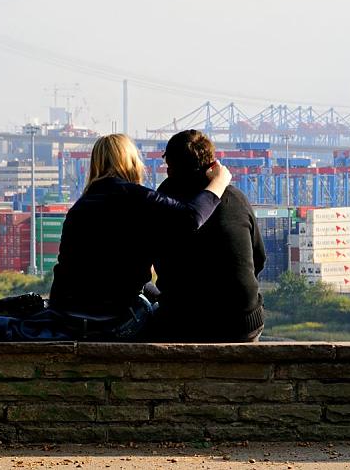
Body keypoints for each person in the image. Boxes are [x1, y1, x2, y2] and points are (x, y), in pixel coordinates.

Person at [48, 133, 232, 327]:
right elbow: (191, 217)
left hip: (68, 316)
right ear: (132, 161)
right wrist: (219, 181)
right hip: (115, 318)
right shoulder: (137, 198)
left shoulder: (80, 207)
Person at [151, 129, 266, 342]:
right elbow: (258, 258)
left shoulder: (162, 203)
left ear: (169, 169)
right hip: (241, 324)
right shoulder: (236, 198)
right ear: (212, 165)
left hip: (182, 323)